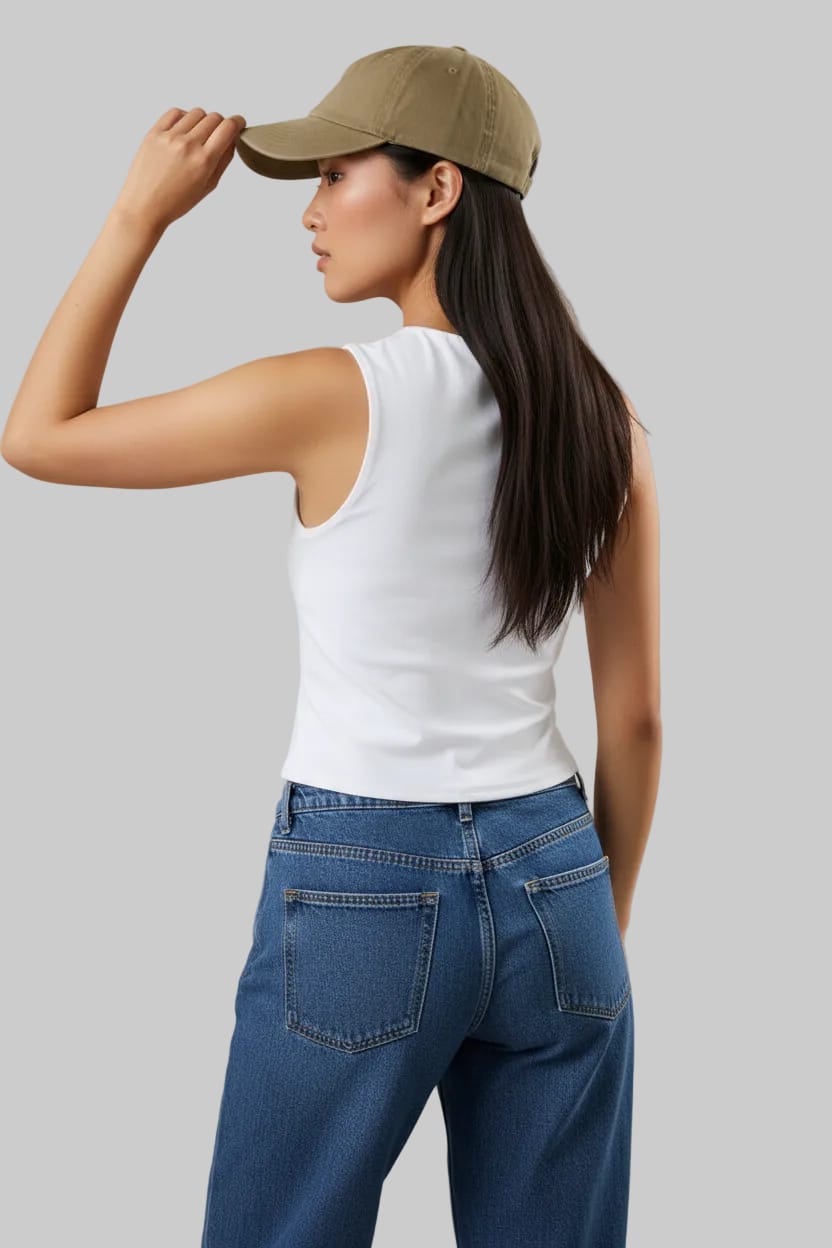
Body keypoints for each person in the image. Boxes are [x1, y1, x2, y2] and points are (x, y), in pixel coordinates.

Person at [2, 42, 660, 1248]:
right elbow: (635, 721)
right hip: (559, 876)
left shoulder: (335, 393)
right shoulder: (601, 414)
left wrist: (136, 217)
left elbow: (40, 434)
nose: (309, 213)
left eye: (336, 174)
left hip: (367, 877)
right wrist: (585, 930)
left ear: (436, 189)